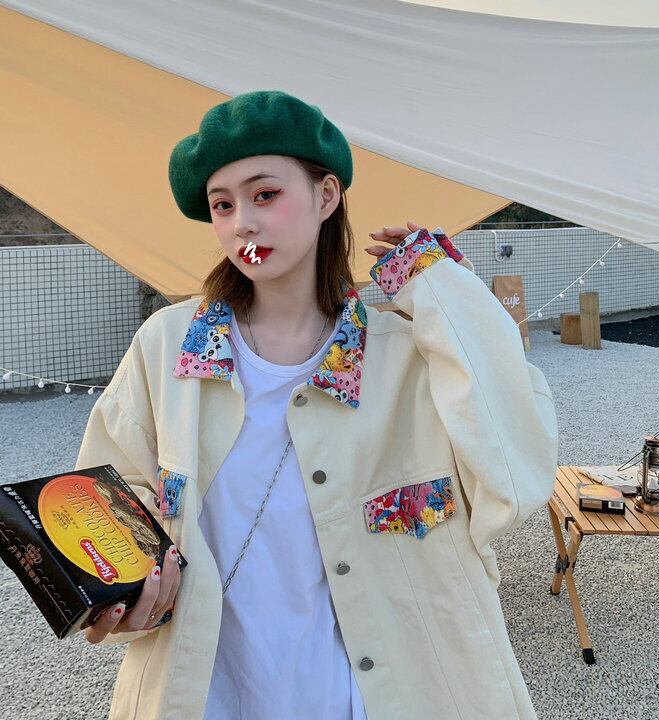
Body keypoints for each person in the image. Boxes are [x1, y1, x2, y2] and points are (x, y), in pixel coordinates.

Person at [76, 90, 559, 720]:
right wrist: (122, 594)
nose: (242, 224)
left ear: (326, 196)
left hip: (371, 697)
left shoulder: (404, 356)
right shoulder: (166, 347)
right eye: (223, 205)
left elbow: (514, 474)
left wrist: (445, 293)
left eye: (265, 194)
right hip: (204, 698)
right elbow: (105, 499)